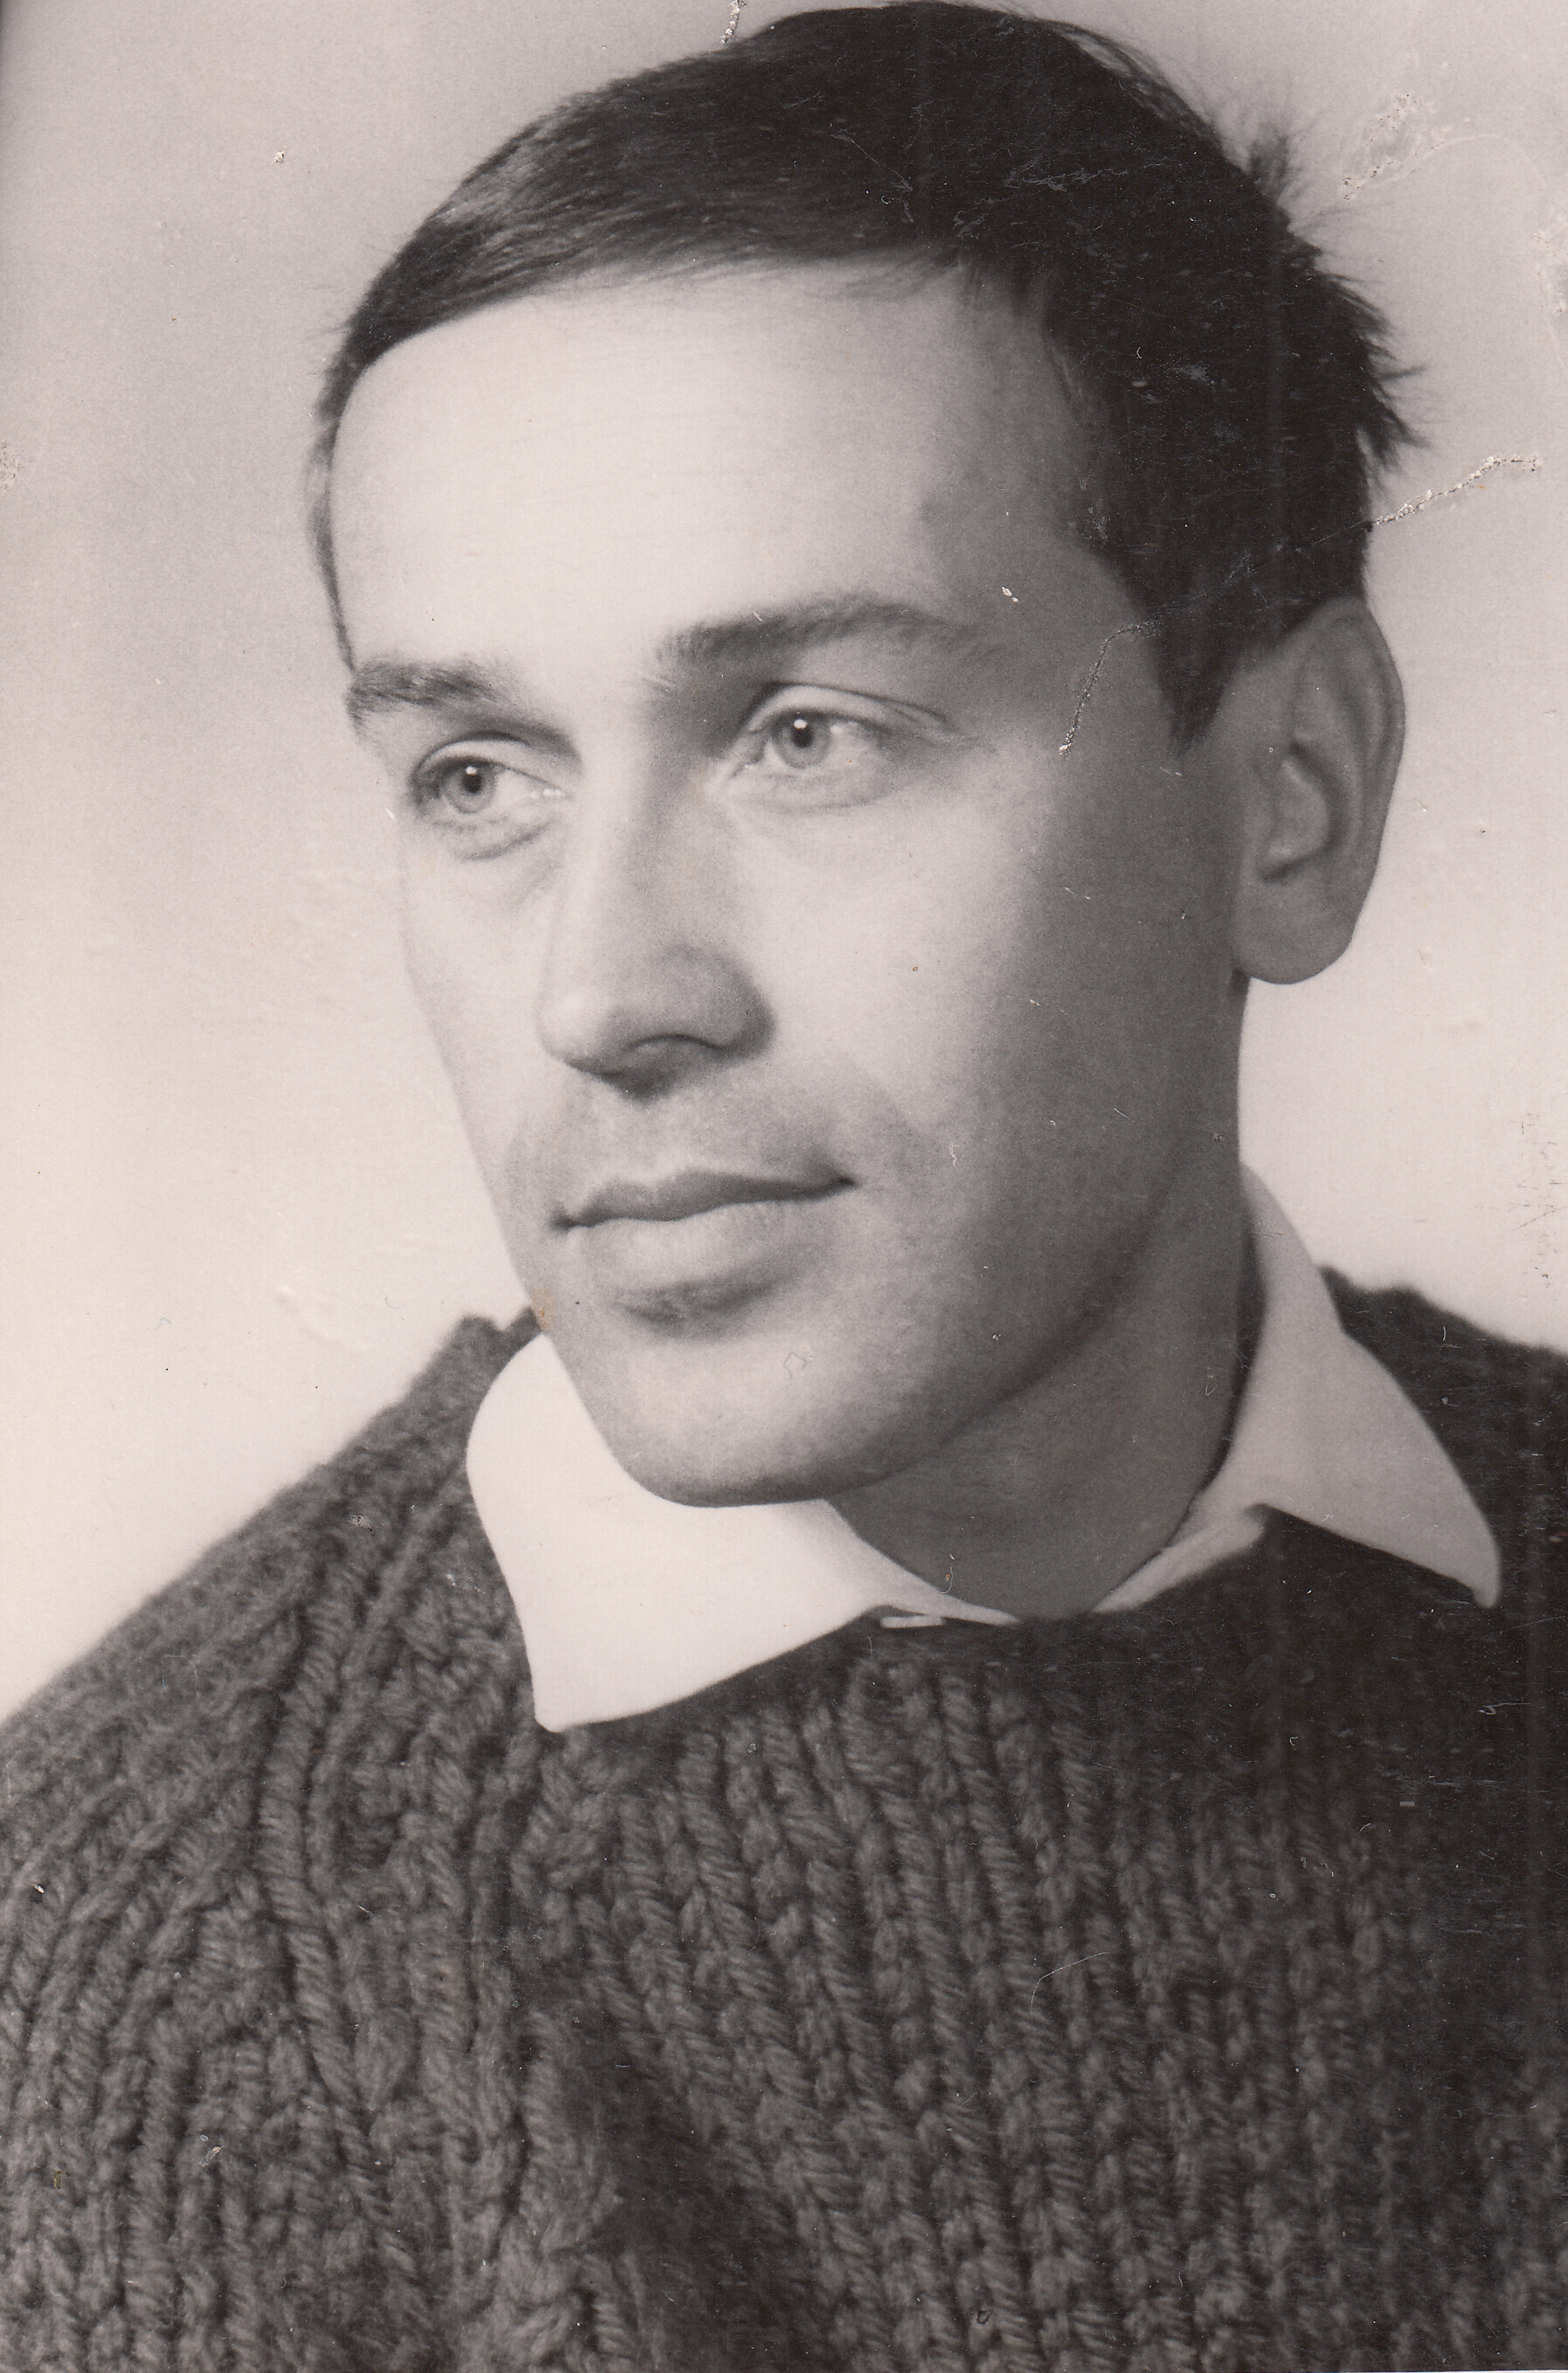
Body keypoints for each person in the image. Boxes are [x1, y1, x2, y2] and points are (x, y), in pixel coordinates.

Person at [2, 6, 1563, 2367]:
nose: (601, 993)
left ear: (1295, 800)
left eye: (808, 733)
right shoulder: (149, 1974)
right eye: (477, 774)